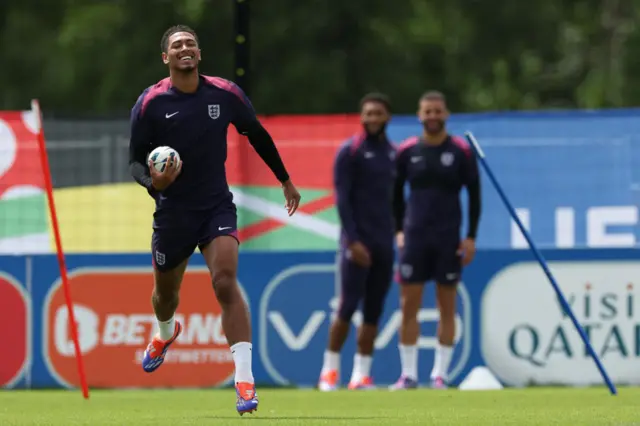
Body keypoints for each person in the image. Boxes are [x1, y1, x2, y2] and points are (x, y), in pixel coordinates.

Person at [128, 25, 301, 415]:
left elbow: (256, 134)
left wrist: (286, 181)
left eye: (190, 43)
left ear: (199, 54)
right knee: (165, 297)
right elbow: (135, 160)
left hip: (215, 207)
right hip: (172, 212)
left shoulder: (224, 94)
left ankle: (244, 383)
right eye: (177, 45)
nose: (185, 48)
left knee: (224, 281)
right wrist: (154, 183)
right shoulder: (151, 103)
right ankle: (166, 331)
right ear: (166, 58)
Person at [389, 91, 481, 390]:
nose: (432, 116)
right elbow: (395, 196)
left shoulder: (461, 152)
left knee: (446, 306)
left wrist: (470, 237)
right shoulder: (406, 151)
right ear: (419, 115)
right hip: (415, 238)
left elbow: (475, 196)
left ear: (446, 114)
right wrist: (399, 231)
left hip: (448, 238)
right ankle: (409, 375)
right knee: (409, 307)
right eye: (427, 111)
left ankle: (439, 375)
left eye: (437, 111)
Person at [318, 93, 396, 391]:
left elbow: (397, 202)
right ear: (362, 117)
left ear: (387, 117)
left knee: (374, 310)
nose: (373, 118)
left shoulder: (393, 153)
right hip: (356, 244)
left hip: (384, 244)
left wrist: (396, 233)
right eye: (368, 114)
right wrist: (352, 241)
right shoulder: (350, 151)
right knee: (347, 307)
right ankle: (329, 372)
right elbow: (343, 199)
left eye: (378, 113)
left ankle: (361, 375)